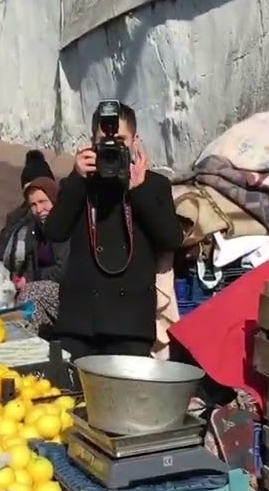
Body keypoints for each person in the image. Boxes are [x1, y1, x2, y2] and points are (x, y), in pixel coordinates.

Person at [45, 102, 183, 359]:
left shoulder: (154, 185)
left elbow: (171, 239)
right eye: (104, 142)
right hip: (80, 320)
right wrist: (77, 180)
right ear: (91, 144)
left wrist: (139, 191)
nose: (112, 148)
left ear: (135, 141)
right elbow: (54, 231)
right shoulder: (79, 184)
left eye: (120, 140)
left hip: (130, 322)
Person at [0, 171, 67, 328]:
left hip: (68, 291)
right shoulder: (36, 229)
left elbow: (63, 270)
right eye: (33, 205)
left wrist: (32, 280)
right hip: (44, 286)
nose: (39, 209)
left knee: (31, 294)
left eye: (43, 201)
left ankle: (32, 339)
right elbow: (32, 262)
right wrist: (22, 279)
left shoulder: (64, 228)